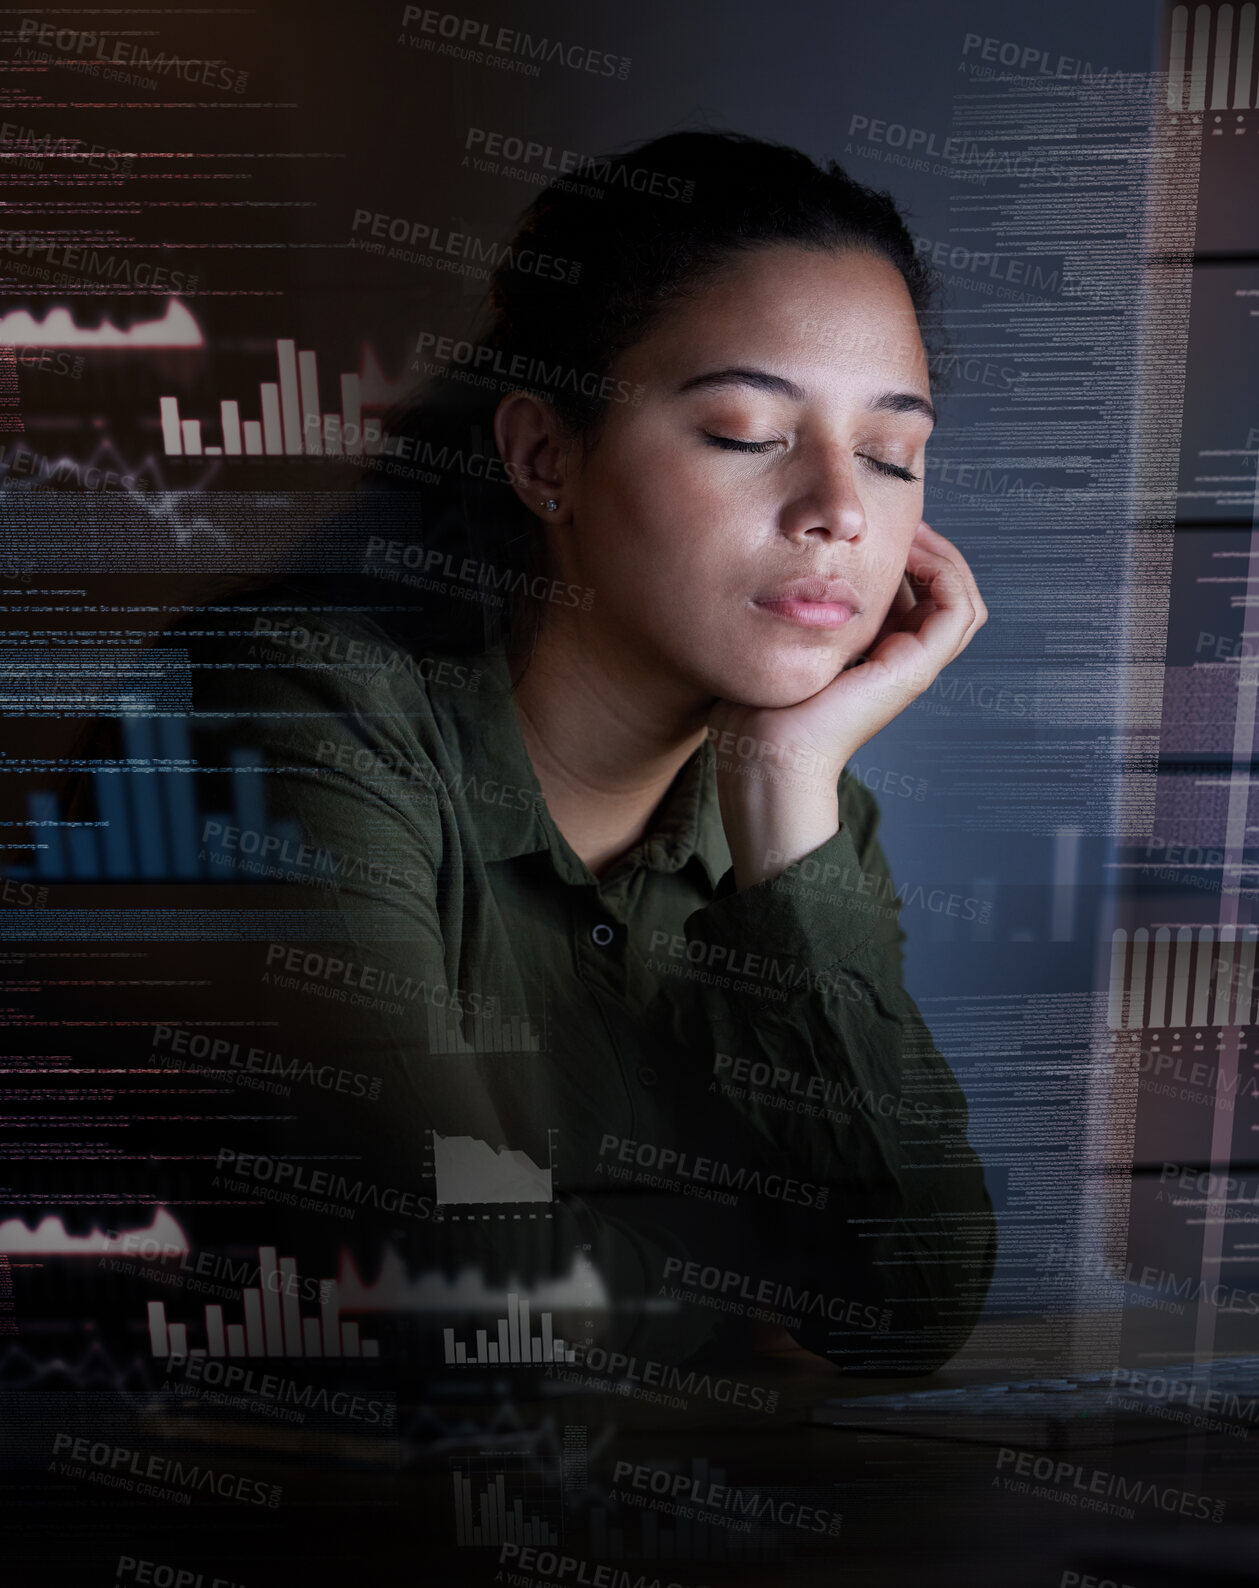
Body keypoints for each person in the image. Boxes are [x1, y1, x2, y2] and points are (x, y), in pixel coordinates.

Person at [134, 129, 998, 1381]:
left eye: (889, 453)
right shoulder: (296, 710)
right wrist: (737, 1305)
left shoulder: (793, 808)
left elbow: (916, 1296)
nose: (841, 510)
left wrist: (784, 781)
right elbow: (430, 1269)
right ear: (546, 457)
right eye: (750, 431)